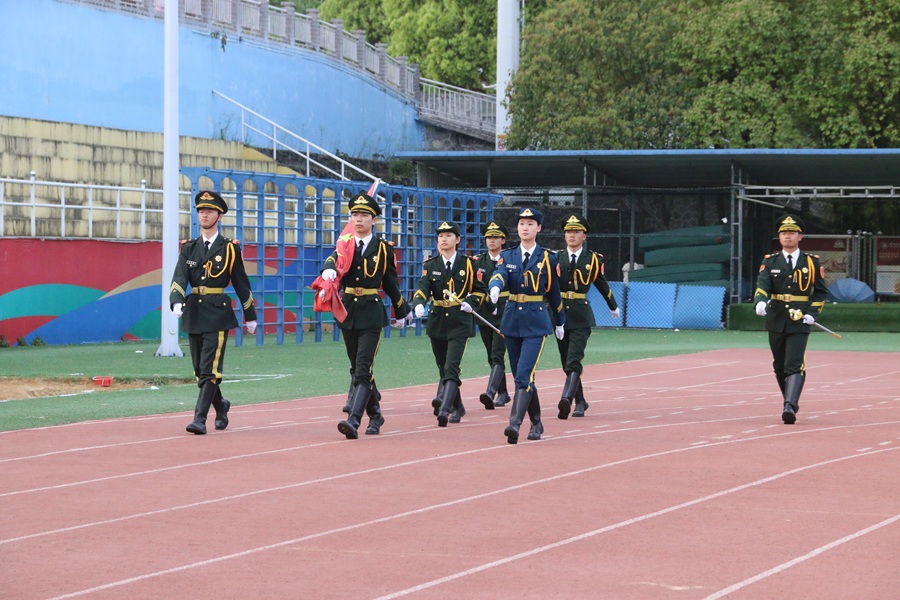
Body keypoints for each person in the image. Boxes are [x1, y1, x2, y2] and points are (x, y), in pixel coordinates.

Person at [320, 192, 410, 439]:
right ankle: (376, 414)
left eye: (364, 215)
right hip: (348, 311)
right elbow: (332, 261)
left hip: (371, 313)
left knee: (363, 367)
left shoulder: (383, 249)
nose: (358, 219)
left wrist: (401, 311)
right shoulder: (344, 244)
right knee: (358, 367)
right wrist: (328, 271)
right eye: (355, 215)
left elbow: (390, 283)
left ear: (374, 220)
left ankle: (354, 420)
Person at [169, 190, 258, 435]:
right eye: (201, 211)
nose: (204, 215)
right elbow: (179, 278)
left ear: (219, 216)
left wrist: (250, 315)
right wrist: (176, 301)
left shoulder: (229, 248)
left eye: (209, 211)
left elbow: (241, 283)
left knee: (210, 369)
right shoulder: (189, 248)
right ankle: (221, 405)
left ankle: (199, 419)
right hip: (195, 312)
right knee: (200, 370)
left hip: (218, 313)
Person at [488, 207, 566, 444]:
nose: (525, 228)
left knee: (523, 375)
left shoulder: (548, 258)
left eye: (530, 224)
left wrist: (560, 322)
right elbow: (500, 273)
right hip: (512, 321)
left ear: (539, 228)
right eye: (522, 223)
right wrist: (495, 287)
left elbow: (554, 293)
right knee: (522, 377)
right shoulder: (508, 255)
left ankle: (514, 424)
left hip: (536, 323)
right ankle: (537, 422)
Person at [754, 214, 828, 424]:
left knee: (794, 363)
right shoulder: (770, 261)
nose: (788, 236)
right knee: (779, 365)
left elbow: (820, 292)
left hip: (800, 320)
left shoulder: (811, 262)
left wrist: (812, 314)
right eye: (784, 233)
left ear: (800, 236)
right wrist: (760, 302)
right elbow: (762, 286)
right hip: (776, 318)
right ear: (779, 237)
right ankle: (789, 399)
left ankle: (790, 406)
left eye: (792, 233)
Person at [411, 221, 486, 426]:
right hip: (437, 320)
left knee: (452, 366)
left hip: (459, 320)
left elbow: (480, 290)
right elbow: (423, 288)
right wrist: (419, 303)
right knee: (443, 366)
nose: (444, 239)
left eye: (448, 235)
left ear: (458, 240)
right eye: (441, 236)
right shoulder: (431, 265)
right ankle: (458, 405)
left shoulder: (468, 264)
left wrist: (471, 303)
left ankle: (445, 409)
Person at [555, 214, 620, 419]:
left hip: (581, 316)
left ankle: (566, 399)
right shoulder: (556, 257)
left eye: (576, 232)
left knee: (574, 359)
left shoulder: (592, 259)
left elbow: (602, 283)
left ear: (584, 235)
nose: (571, 235)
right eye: (568, 232)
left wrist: (613, 306)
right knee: (566, 361)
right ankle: (581, 401)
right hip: (560, 315)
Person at [472, 221, 512, 409]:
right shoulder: (478, 261)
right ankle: (503, 392)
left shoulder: (509, 259)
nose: (492, 241)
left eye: (496, 237)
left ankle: (490, 392)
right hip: (485, 312)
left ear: (503, 240)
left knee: (497, 353)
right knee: (491, 354)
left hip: (504, 310)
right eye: (489, 237)